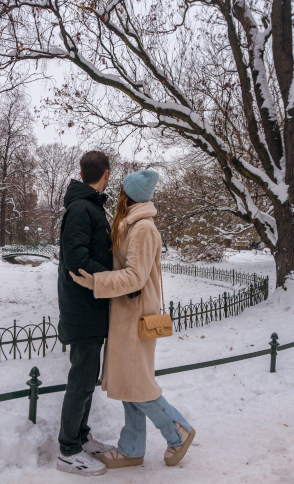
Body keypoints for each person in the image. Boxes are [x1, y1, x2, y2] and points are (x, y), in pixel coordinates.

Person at [71, 169, 195, 469]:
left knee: (138, 384)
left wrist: (96, 282)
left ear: (129, 195)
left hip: (135, 317)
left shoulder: (142, 229)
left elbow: (135, 277)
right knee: (131, 383)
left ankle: (177, 429)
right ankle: (132, 448)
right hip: (127, 314)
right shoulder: (132, 225)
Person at [57, 150, 114, 476]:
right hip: (83, 308)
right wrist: (115, 282)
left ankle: (81, 436)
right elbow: (76, 260)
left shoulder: (89, 207)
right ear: (105, 173)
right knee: (81, 380)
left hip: (90, 307)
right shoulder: (81, 209)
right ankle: (68, 450)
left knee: (87, 379)